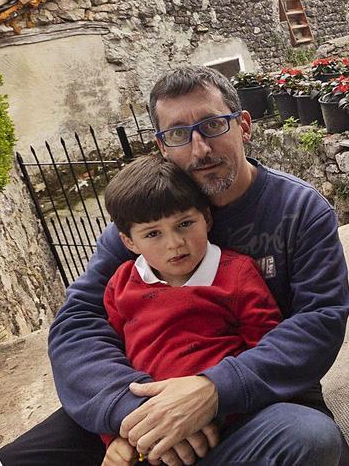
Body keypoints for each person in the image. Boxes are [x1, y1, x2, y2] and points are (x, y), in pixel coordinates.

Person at [0, 66, 349, 466]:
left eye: (213, 125)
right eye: (179, 134)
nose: (200, 149)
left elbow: (319, 321)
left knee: (310, 439)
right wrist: (132, 412)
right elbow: (79, 321)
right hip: (142, 393)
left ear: (245, 126)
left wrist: (211, 391)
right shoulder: (141, 224)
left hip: (253, 400)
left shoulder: (299, 210)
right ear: (162, 147)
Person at [95, 154, 283, 464]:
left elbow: (267, 351)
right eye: (153, 233)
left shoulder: (235, 274)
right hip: (148, 435)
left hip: (223, 426)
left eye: (185, 224)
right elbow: (109, 358)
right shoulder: (121, 284)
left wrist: (220, 408)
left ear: (207, 219)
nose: (175, 244)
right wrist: (117, 434)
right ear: (129, 242)